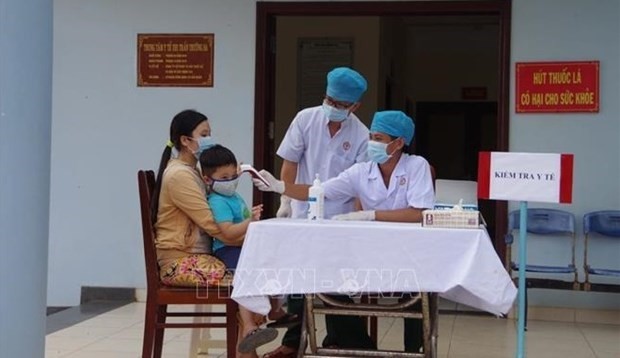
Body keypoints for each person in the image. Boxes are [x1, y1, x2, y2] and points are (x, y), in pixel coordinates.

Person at [252, 110, 435, 354]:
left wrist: (372, 215)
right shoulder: (362, 170)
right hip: (368, 253)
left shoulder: (416, 166)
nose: (371, 143)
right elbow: (320, 191)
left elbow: (419, 213)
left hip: (406, 254)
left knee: (416, 290)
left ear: (399, 142)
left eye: (378, 138)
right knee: (326, 280)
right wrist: (280, 187)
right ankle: (361, 346)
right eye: (371, 136)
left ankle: (414, 351)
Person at [265, 67, 372, 358]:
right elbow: (290, 161)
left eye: (341, 105)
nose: (333, 108)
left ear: (355, 106)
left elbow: (359, 181)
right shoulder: (306, 119)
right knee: (300, 277)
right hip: (303, 210)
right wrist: (285, 199)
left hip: (339, 215)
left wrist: (360, 216)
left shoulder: (361, 135)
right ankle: (293, 342)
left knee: (335, 282)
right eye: (330, 100)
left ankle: (340, 341)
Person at [151, 109, 276, 356]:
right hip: (179, 260)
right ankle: (248, 337)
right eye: (204, 134)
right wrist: (250, 231)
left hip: (199, 255)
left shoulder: (195, 173)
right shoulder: (179, 176)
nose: (210, 139)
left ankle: (247, 344)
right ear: (185, 141)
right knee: (250, 276)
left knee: (254, 270)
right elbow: (220, 231)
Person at [199, 144, 301, 331]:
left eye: (233, 176)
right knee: (246, 276)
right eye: (224, 178)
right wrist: (250, 221)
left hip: (243, 246)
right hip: (228, 249)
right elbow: (228, 232)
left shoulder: (233, 196)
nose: (230, 181)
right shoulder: (218, 202)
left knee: (275, 262)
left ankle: (275, 310)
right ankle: (248, 325)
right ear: (207, 179)